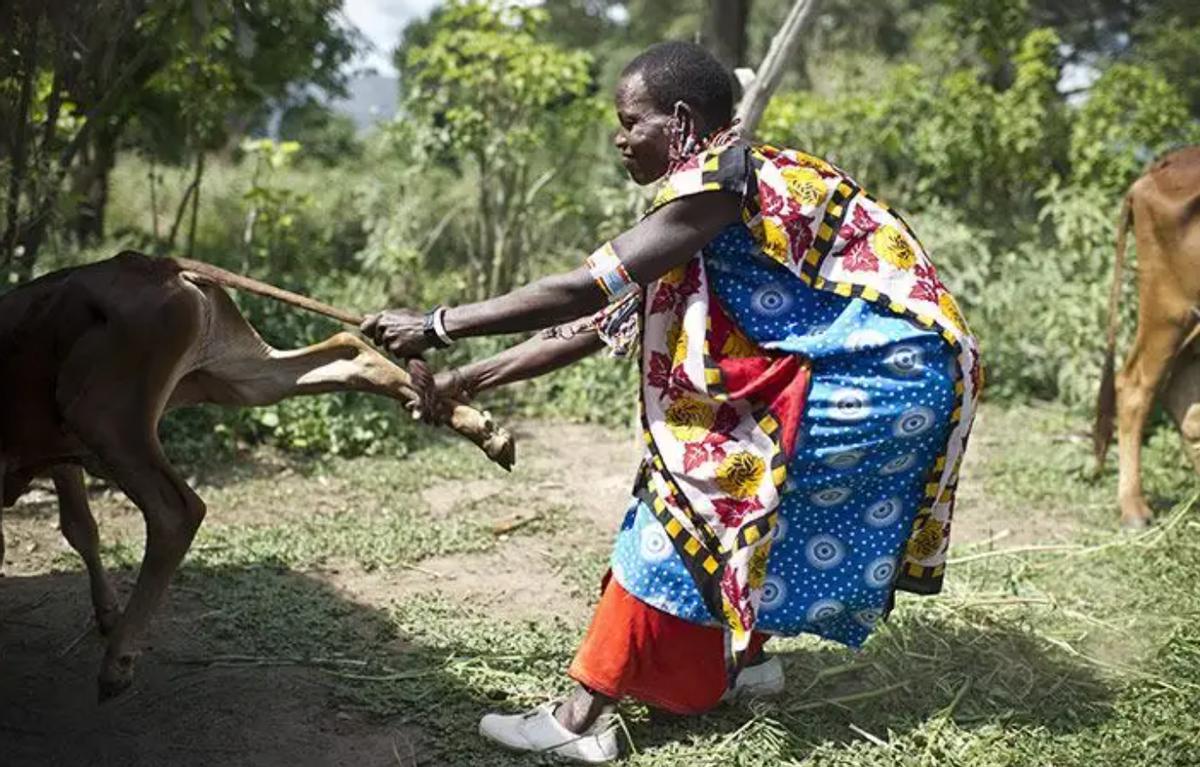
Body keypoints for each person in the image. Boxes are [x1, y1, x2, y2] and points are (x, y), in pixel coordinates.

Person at [362, 41, 982, 764]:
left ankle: (580, 717)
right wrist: (466, 381)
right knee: (741, 490)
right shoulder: (700, 199)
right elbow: (593, 326)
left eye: (632, 122)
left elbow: (584, 287)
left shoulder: (720, 181)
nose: (620, 139)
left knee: (693, 490)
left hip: (884, 374)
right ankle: (749, 662)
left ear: (681, 121)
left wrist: (438, 324)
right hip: (885, 374)